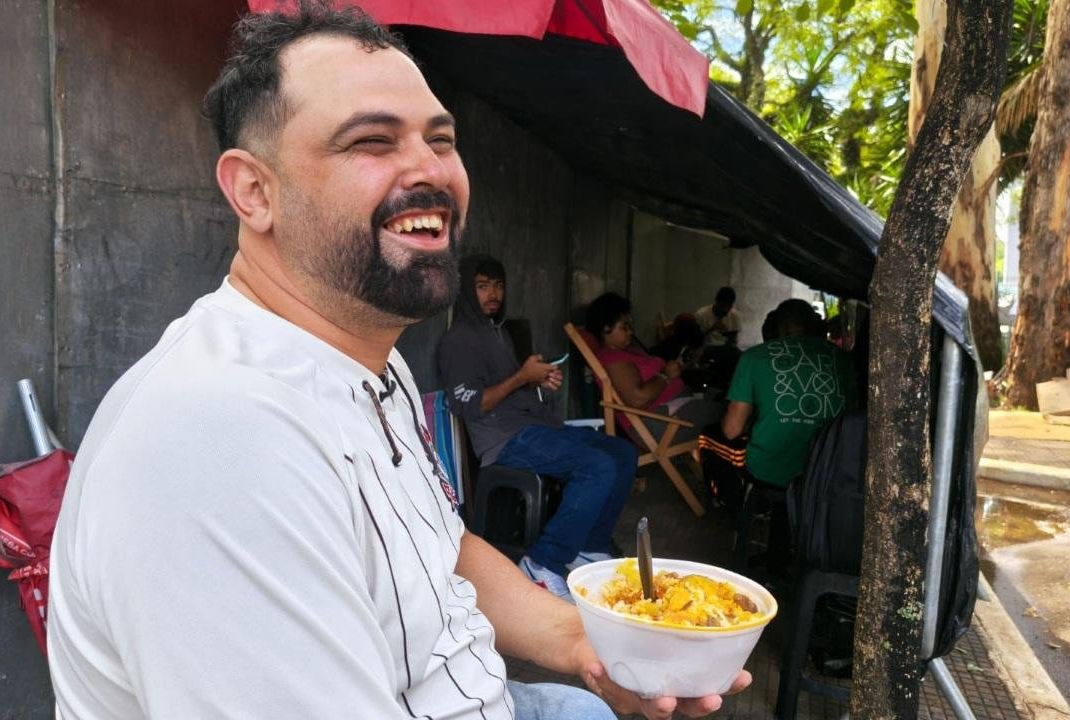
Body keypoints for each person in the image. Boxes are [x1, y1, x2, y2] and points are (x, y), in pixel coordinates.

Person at [46, 4, 749, 719]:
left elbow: (443, 549)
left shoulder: (376, 365)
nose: (431, 169)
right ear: (255, 192)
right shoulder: (216, 437)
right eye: (370, 141)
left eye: (441, 139)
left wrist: (590, 645)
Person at [438, 255, 637, 602]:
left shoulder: (496, 332)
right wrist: (521, 377)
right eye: (482, 286)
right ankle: (542, 563)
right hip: (504, 440)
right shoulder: (459, 341)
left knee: (622, 453)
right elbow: (466, 405)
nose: (493, 294)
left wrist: (538, 379)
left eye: (498, 285)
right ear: (466, 291)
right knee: (596, 467)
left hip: (533, 426)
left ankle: (588, 547)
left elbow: (511, 386)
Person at [706, 299, 858, 568]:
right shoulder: (846, 361)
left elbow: (731, 430)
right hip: (829, 474)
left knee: (710, 440)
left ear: (781, 327)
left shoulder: (755, 357)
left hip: (769, 471)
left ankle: (729, 512)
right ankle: (788, 557)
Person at [586, 292, 722, 438]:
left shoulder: (626, 350)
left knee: (723, 398)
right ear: (606, 329)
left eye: (630, 325)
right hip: (662, 422)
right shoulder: (611, 358)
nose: (630, 331)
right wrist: (665, 375)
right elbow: (638, 400)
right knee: (731, 413)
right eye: (624, 327)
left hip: (674, 408)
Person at [694, 287, 742, 388]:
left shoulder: (734, 315)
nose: (725, 310)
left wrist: (730, 337)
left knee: (738, 355)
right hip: (706, 348)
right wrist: (712, 328)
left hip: (726, 349)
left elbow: (734, 341)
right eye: (723, 306)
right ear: (716, 302)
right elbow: (695, 341)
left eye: (729, 307)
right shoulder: (702, 314)